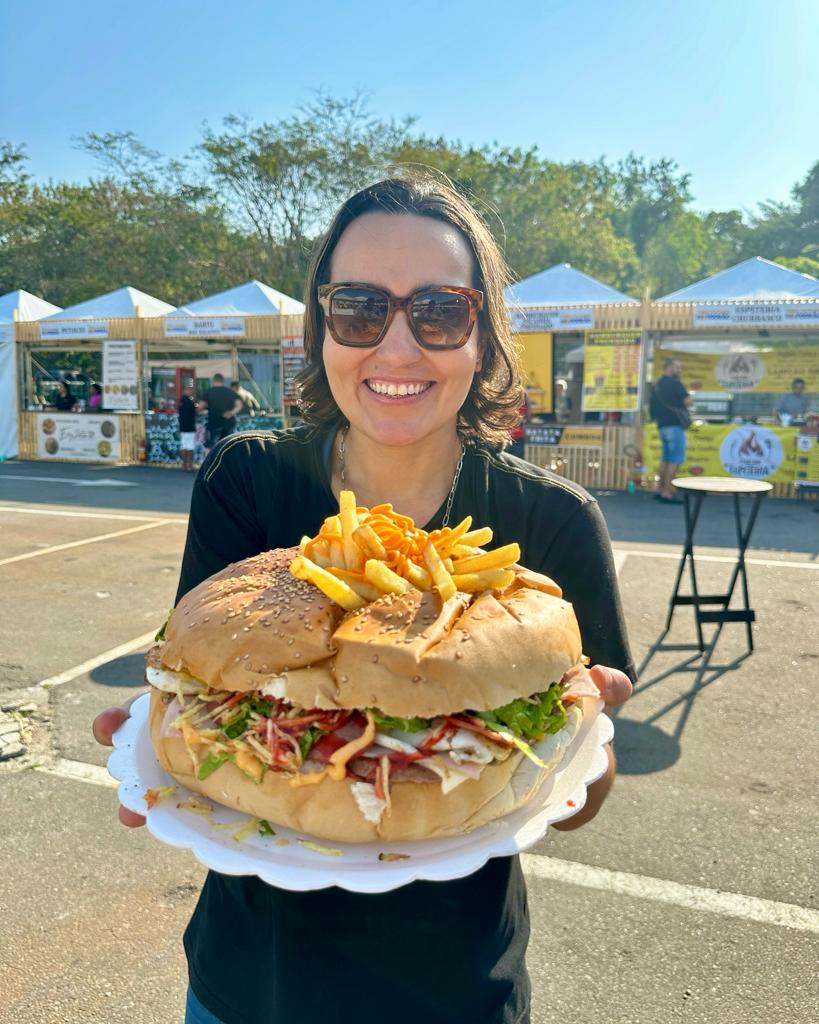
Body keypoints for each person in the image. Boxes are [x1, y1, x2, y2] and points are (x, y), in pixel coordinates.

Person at [92, 174, 634, 1024]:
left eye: (439, 312)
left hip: (457, 992)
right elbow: (195, 672)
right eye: (357, 308)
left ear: (482, 338)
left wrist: (583, 742)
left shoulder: (554, 524)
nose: (396, 348)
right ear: (320, 328)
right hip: (246, 983)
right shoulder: (247, 479)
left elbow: (571, 799)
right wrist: (161, 747)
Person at [649, 357, 692, 503]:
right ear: (669, 367)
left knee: (665, 459)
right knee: (674, 460)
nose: (679, 370)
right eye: (677, 367)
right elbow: (688, 402)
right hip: (675, 425)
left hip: (662, 426)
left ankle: (660, 489)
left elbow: (652, 408)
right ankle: (667, 492)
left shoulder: (657, 384)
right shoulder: (675, 383)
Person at [197, 373, 241, 452]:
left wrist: (202, 410)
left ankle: (210, 464)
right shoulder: (230, 392)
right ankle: (228, 463)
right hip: (228, 423)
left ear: (213, 381)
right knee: (227, 446)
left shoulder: (208, 392)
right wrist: (231, 412)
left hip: (214, 423)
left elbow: (200, 407)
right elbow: (239, 405)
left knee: (210, 446)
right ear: (223, 381)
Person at [177, 383, 197, 472]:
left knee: (184, 445)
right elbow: (195, 411)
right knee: (190, 446)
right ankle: (190, 465)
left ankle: (184, 464)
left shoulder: (181, 400)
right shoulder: (189, 401)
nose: (191, 391)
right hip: (190, 426)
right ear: (186, 390)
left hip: (182, 426)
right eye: (190, 390)